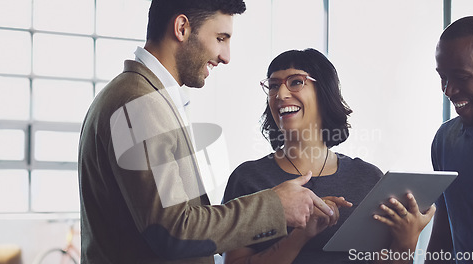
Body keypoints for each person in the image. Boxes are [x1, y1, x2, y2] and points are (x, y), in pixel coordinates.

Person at [78, 1, 335, 263]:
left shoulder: (144, 97)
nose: (226, 56)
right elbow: (174, 231)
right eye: (220, 38)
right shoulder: (140, 103)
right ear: (182, 28)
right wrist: (276, 207)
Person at [222, 48, 435, 263]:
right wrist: (300, 236)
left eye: (295, 82)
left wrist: (407, 241)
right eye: (274, 85)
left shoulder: (368, 178)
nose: (281, 94)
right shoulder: (248, 179)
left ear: (324, 92)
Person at [427, 16, 473, 264]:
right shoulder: (445, 141)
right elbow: (443, 235)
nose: (448, 90)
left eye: (461, 77)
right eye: (443, 77)